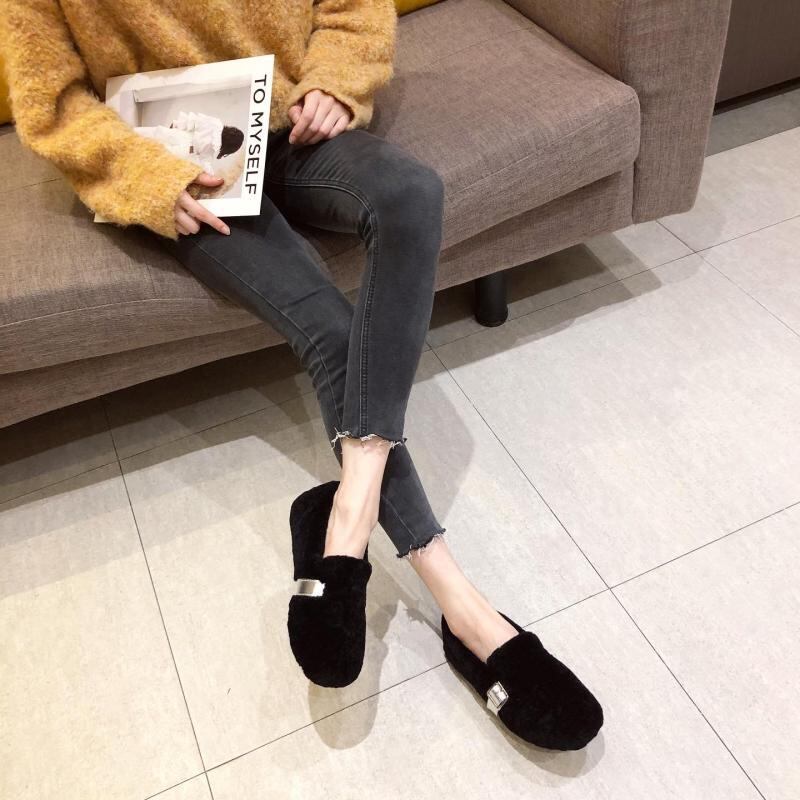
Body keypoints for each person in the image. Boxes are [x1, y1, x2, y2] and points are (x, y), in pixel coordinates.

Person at [1, 0, 603, 751]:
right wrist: (144, 175)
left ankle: (347, 511)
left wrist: (334, 81)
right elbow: (51, 100)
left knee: (412, 192)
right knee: (331, 329)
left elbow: (351, 7)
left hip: (294, 127)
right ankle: (459, 601)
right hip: (177, 166)